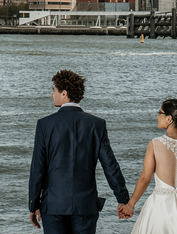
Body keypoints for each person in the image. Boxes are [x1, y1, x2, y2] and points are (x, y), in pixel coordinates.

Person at [28, 70, 130, 234]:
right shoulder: (96, 124)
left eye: (54, 90)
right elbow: (110, 166)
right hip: (85, 205)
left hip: (53, 206)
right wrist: (123, 199)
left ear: (64, 93)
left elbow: (37, 169)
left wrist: (33, 204)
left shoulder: (45, 125)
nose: (51, 94)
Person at [120, 97, 177, 234]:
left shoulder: (155, 144)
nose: (157, 116)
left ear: (169, 119)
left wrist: (130, 206)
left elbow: (145, 178)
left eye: (160, 113)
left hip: (160, 206)